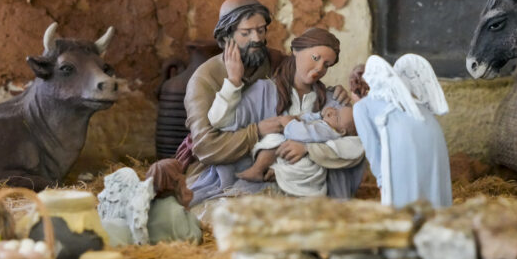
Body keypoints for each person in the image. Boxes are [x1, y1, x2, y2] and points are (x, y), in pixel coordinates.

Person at [190, 28, 364, 205]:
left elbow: (356, 146)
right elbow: (223, 123)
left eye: (327, 64)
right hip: (265, 186)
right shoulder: (264, 90)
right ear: (296, 51)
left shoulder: (331, 101)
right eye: (315, 58)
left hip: (311, 189)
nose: (319, 68)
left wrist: (308, 150)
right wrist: (234, 82)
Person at [182, 0, 283, 180]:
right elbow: (207, 146)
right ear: (226, 36)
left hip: (276, 161)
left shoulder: (277, 62)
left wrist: (333, 94)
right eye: (246, 33)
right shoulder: (205, 78)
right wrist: (257, 131)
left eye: (261, 30)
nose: (257, 39)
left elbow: (310, 89)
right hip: (221, 171)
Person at [353, 54, 452, 208]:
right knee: (433, 186)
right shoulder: (401, 98)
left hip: (405, 139)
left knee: (404, 194)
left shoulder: (361, 107)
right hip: (431, 130)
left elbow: (372, 148)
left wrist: (381, 181)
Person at [212, 101, 357, 197]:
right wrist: (321, 114)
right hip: (292, 146)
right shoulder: (325, 124)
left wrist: (289, 123)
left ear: (342, 132)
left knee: (279, 146)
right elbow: (307, 120)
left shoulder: (328, 131)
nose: (332, 113)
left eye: (336, 117)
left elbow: (302, 132)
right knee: (273, 140)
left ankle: (263, 171)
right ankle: (261, 169)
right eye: (336, 110)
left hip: (303, 159)